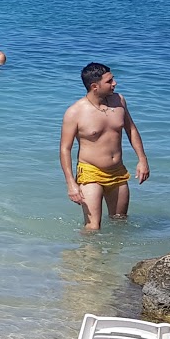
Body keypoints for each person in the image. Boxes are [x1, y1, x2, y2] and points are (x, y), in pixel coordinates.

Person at [60, 62, 150, 232]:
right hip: (90, 172)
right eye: (109, 81)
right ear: (95, 86)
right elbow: (65, 148)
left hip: (118, 171)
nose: (114, 83)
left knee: (120, 222)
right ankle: (85, 258)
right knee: (93, 227)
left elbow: (131, 129)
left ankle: (113, 258)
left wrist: (142, 159)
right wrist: (70, 183)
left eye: (113, 79)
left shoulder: (119, 101)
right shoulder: (75, 112)